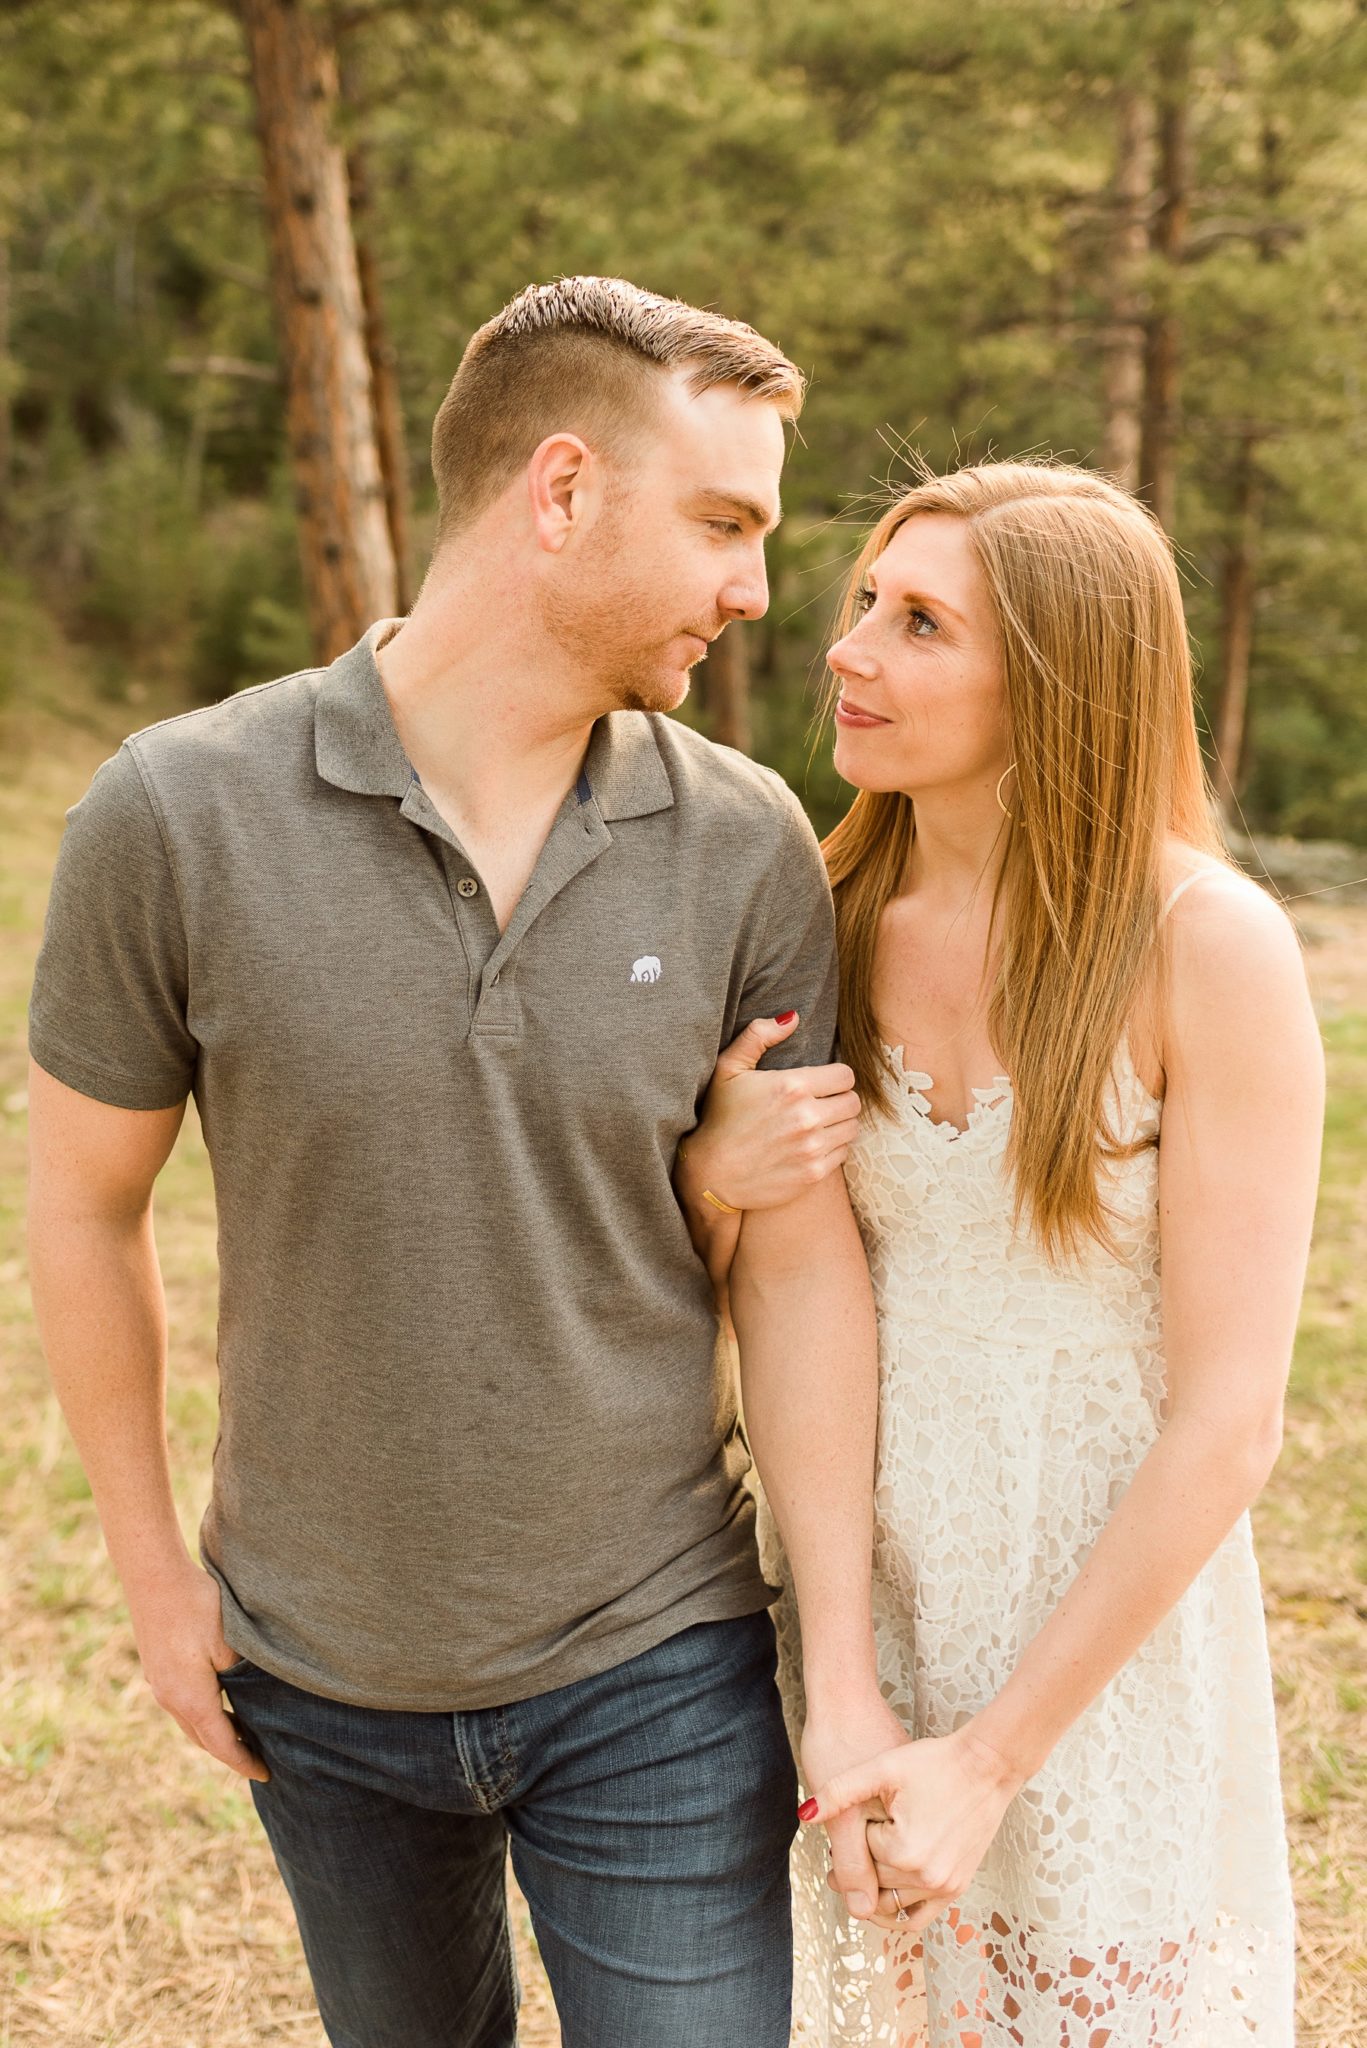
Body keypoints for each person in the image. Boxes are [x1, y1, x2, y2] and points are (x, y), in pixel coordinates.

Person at [25, 276, 902, 2048]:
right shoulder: (174, 815)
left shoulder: (744, 849)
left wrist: (843, 1670)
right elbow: (80, 1202)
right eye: (725, 523)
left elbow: (800, 1264)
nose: (756, 593)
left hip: (658, 1660)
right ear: (561, 494)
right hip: (320, 1678)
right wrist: (148, 1572)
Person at [675, 460, 1324, 2047]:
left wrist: (991, 1757)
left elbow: (1229, 1420)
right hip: (871, 1565)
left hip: (1106, 1608)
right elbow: (787, 1279)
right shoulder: (817, 910)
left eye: (919, 624)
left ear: (1052, 682)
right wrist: (844, 1685)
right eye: (865, 605)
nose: (848, 648)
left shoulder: (1205, 946)